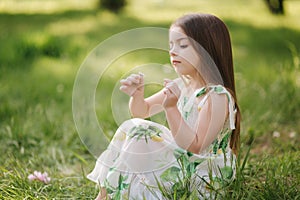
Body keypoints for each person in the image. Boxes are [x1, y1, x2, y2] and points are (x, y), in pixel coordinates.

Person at [87, 13, 241, 199]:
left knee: (141, 132)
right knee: (134, 128)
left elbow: (195, 147)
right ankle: (104, 196)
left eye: (183, 45)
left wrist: (171, 109)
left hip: (203, 175)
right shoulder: (184, 85)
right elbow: (141, 112)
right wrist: (137, 96)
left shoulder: (216, 96)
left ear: (207, 49)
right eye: (171, 45)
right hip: (183, 163)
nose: (173, 51)